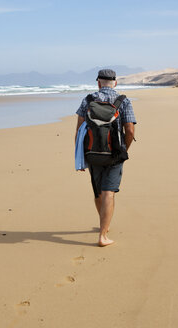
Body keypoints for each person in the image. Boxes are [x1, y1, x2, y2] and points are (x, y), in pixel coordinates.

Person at [75, 69, 136, 247]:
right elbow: (130, 130)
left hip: (92, 153)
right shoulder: (123, 101)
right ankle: (103, 235)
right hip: (114, 154)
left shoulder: (88, 100)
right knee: (109, 191)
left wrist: (80, 157)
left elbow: (79, 131)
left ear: (99, 83)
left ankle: (104, 224)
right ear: (115, 83)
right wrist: (122, 150)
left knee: (98, 191)